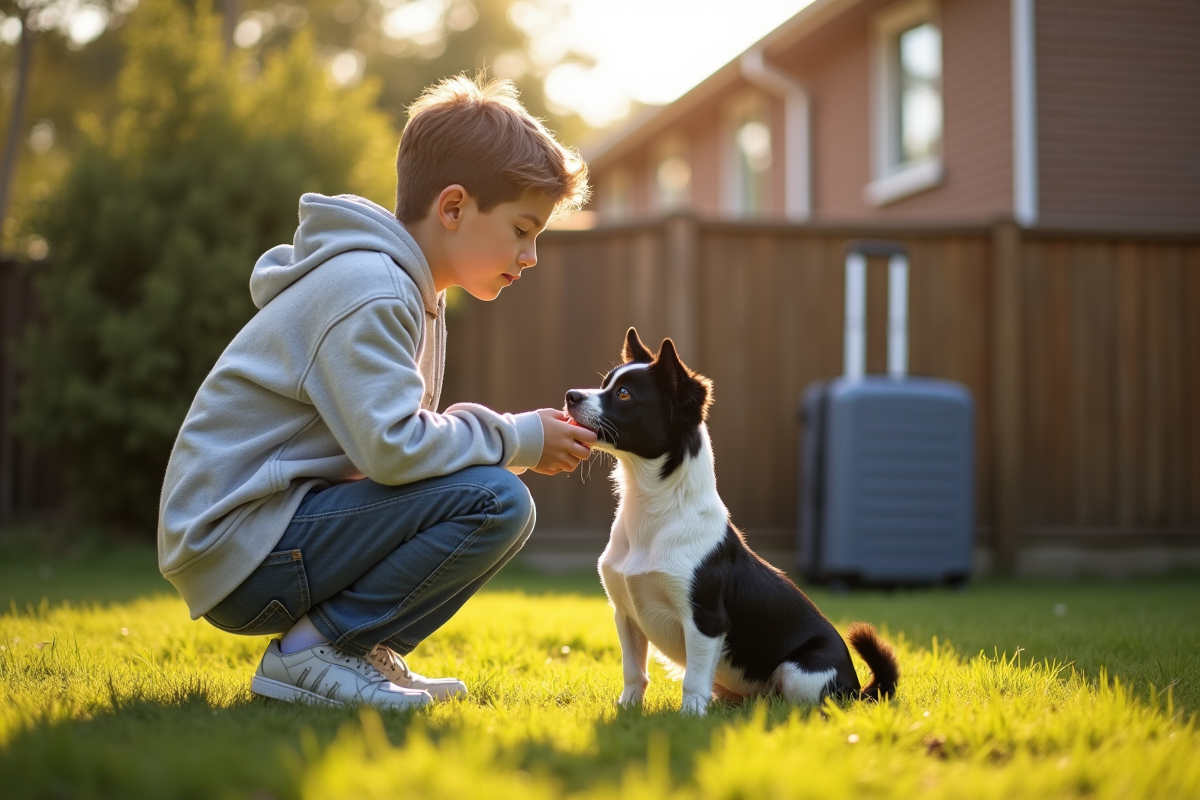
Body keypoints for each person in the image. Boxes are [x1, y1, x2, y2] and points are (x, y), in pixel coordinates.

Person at [157, 74, 597, 709]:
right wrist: (520, 437)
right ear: (453, 208)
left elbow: (380, 457)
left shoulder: (410, 290)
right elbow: (393, 449)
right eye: (523, 230)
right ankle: (313, 653)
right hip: (237, 545)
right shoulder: (373, 288)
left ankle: (352, 651)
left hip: (265, 532)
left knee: (486, 492)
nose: (531, 256)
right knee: (496, 498)